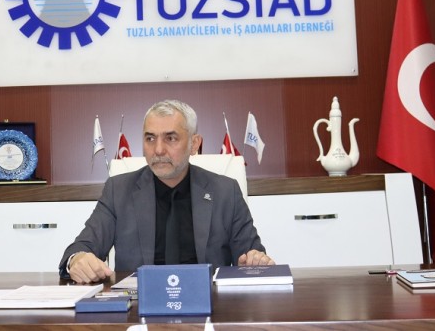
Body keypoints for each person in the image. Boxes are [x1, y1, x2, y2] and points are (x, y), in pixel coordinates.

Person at [59, 99, 274, 283]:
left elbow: (252, 256)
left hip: (208, 306)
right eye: (150, 138)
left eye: (171, 138)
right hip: (138, 308)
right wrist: (77, 260)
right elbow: (80, 248)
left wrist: (255, 260)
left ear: (194, 144)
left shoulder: (225, 192)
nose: (159, 150)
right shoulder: (119, 191)